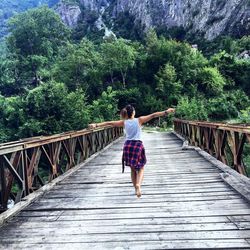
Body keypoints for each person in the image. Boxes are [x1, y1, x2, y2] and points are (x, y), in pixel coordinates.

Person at [88, 105, 175, 197]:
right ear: (133, 112)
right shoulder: (139, 120)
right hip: (137, 145)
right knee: (141, 167)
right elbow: (153, 115)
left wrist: (96, 125)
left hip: (128, 145)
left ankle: (135, 188)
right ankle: (138, 185)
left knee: (133, 169)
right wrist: (167, 111)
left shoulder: (124, 122)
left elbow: (110, 123)